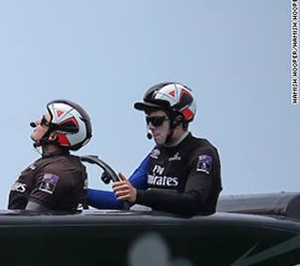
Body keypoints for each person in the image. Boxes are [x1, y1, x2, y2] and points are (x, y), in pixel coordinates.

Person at [88, 82, 222, 216]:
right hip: (162, 229)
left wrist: (140, 196)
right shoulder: (157, 153)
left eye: (157, 120)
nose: (151, 126)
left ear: (177, 120)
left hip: (195, 229)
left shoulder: (202, 154)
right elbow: (122, 198)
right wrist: (80, 192)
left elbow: (192, 202)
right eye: (148, 120)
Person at [8, 99, 91, 212]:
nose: (37, 122)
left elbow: (32, 217)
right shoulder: (54, 163)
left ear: (53, 135)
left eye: (44, 122)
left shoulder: (56, 170)